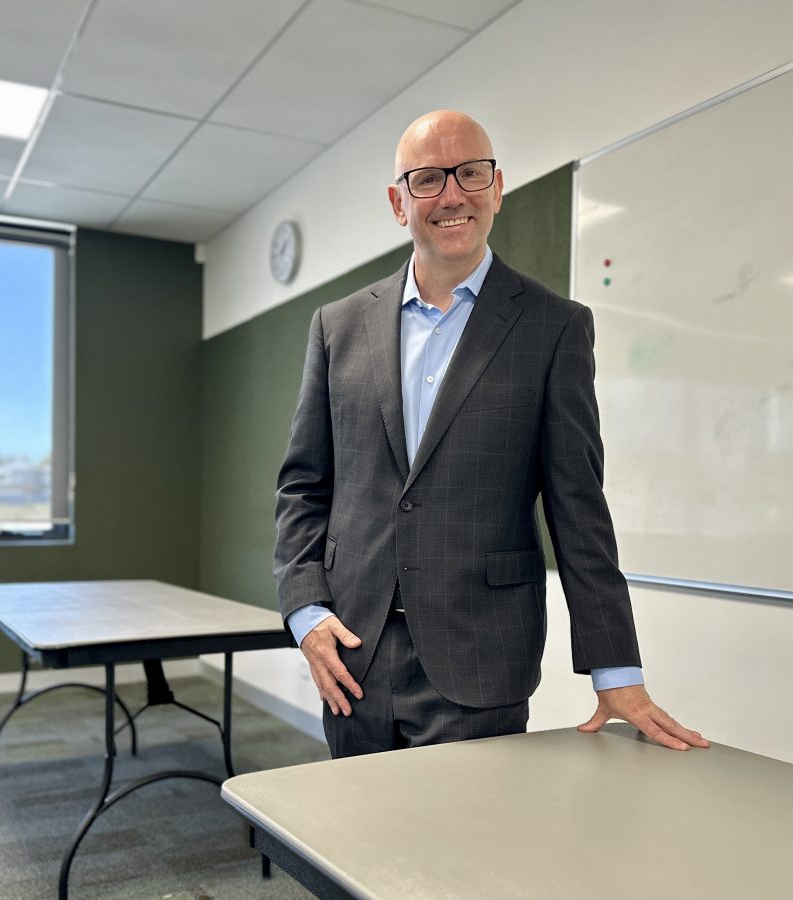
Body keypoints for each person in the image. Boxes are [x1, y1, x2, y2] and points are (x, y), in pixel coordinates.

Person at [274, 109, 707, 758]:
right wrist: (306, 613)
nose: (452, 194)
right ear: (399, 203)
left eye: (470, 173)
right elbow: (304, 487)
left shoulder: (553, 328)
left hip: (480, 660)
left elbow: (577, 506)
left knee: (458, 855)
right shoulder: (337, 327)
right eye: (427, 179)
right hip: (351, 653)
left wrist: (615, 668)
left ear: (497, 188)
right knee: (349, 846)